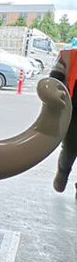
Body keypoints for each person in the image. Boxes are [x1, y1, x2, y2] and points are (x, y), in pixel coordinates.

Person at [51, 47, 77, 193]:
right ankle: (62, 173)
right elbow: (53, 81)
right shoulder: (68, 56)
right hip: (73, 114)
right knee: (70, 148)